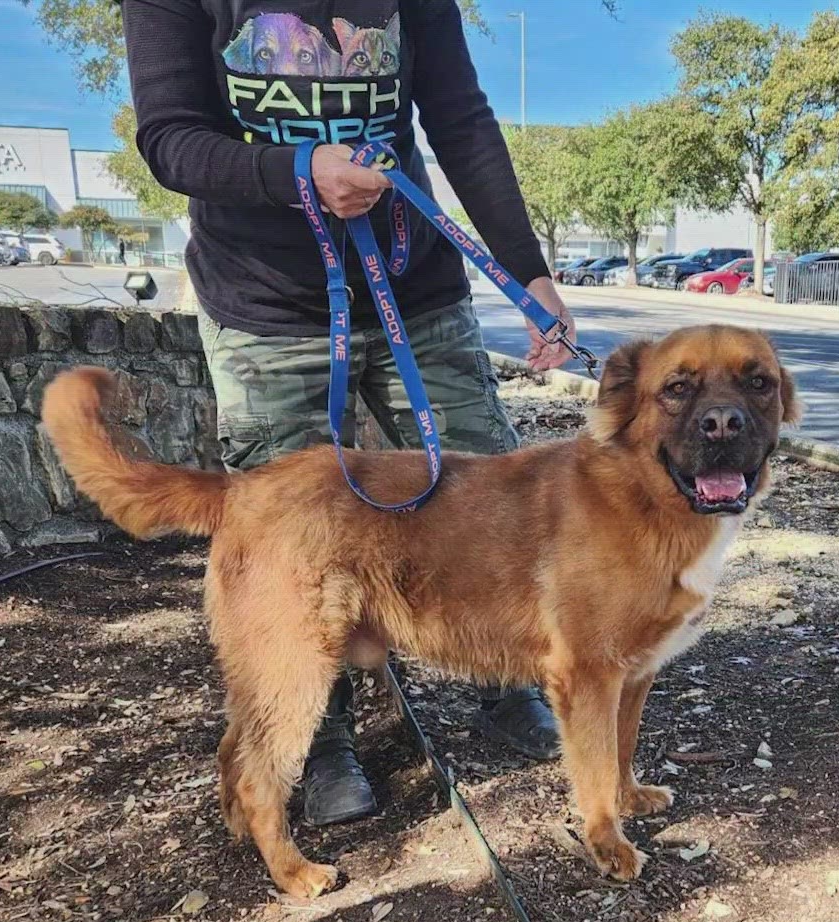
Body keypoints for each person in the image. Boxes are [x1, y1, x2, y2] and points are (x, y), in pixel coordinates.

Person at [122, 0, 579, 826]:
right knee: (292, 545)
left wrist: (528, 273)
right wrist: (297, 171)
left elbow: (461, 121)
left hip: (419, 289)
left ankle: (507, 679)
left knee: (496, 495)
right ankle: (323, 736)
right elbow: (169, 138)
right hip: (267, 306)